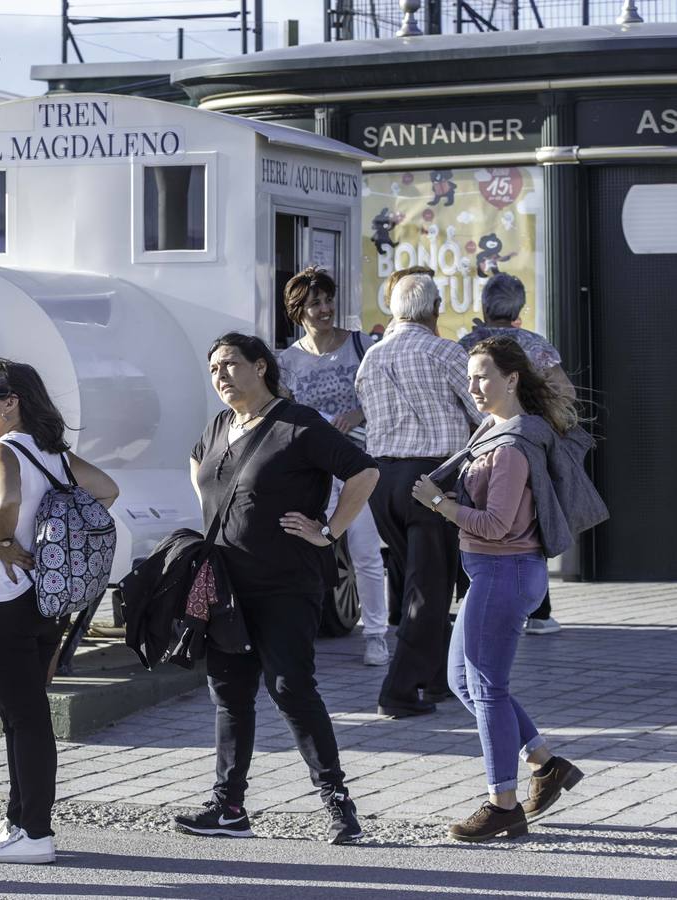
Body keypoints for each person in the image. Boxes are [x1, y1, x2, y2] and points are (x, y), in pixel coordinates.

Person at [174, 332, 379, 845]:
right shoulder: (221, 424)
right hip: (226, 586)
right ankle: (229, 808)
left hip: (286, 583)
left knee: (290, 688)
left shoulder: (299, 424)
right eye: (214, 367)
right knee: (229, 694)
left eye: (230, 364)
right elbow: (197, 462)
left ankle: (338, 805)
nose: (220, 375)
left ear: (261, 367)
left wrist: (328, 530)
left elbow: (364, 471)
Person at [412, 337, 587, 841]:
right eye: (469, 376)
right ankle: (545, 763)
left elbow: (495, 523)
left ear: (511, 379)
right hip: (494, 574)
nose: (472, 386)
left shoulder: (510, 448)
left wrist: (439, 503)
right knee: (463, 681)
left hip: (503, 572)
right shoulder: (493, 428)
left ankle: (502, 803)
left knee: (487, 689)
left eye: (482, 376)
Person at [0, 357, 119, 865]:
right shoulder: (53, 454)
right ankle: (19, 816)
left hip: (3, 600)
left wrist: (4, 540)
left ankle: (37, 833)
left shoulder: (4, 451)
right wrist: (54, 542)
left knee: (25, 716)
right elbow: (107, 490)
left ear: (11, 402)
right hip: (46, 599)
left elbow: (4, 502)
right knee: (21, 713)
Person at [356, 273, 483, 719]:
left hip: (383, 479)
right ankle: (399, 690)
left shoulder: (371, 357)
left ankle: (437, 676)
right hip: (433, 478)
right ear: (435, 308)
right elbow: (482, 412)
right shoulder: (445, 351)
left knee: (417, 581)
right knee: (429, 589)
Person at [277, 266, 389, 666]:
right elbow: (283, 412)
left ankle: (376, 635)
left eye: (327, 299)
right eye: (314, 303)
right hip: (316, 470)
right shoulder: (286, 361)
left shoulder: (362, 345)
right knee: (306, 550)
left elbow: (387, 393)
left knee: (365, 551)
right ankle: (296, 633)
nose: (325, 309)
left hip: (359, 464)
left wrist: (358, 413)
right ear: (298, 311)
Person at [459, 273, 575, 636]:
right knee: (528, 520)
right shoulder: (534, 344)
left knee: (474, 518)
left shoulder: (465, 345)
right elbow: (566, 392)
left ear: (483, 306)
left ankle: (472, 600)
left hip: (475, 447)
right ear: (520, 308)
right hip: (521, 443)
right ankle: (538, 613)